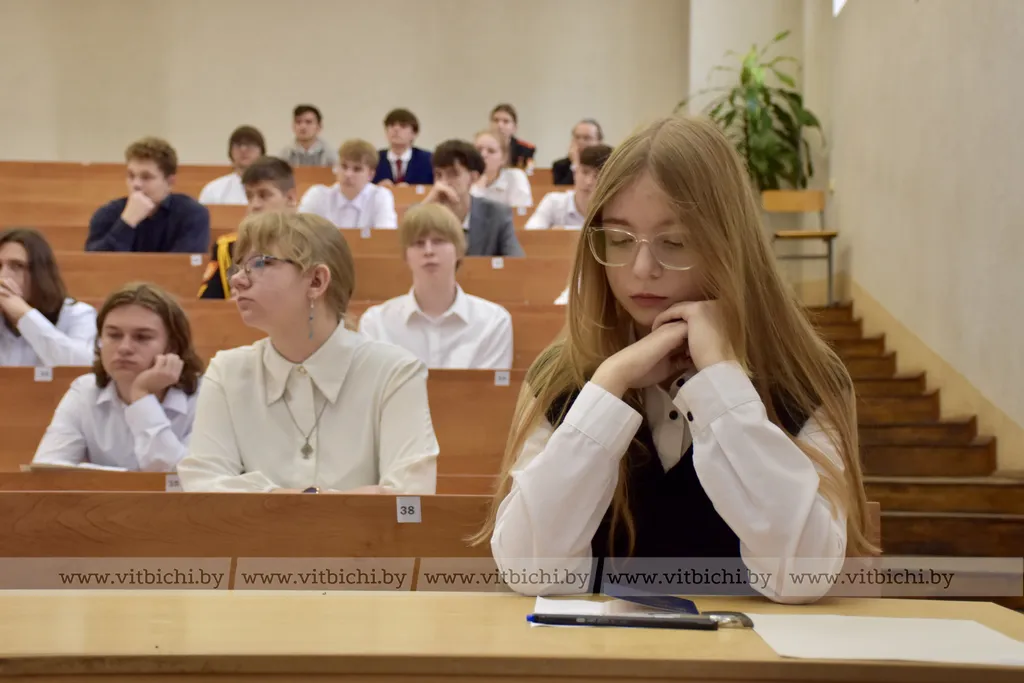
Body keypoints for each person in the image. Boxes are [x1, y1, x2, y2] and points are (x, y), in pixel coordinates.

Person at [472, 116, 877, 604]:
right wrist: (608, 387)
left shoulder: (809, 378)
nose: (643, 269)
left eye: (676, 242)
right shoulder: (561, 376)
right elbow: (529, 570)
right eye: (619, 241)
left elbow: (802, 577)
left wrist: (723, 388)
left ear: (730, 246)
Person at [177, 212, 439, 494]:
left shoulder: (394, 371)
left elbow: (411, 499)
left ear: (316, 281)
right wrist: (291, 501)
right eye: (239, 267)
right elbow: (202, 485)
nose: (238, 280)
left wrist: (274, 504)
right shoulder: (226, 371)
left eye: (259, 263)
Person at [32, 283, 204, 471]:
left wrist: (141, 396)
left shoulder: (204, 396)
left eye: (142, 337)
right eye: (114, 335)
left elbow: (179, 479)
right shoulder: (85, 391)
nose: (124, 348)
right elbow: (47, 472)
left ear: (172, 346)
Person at [359, 204, 513, 370]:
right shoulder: (376, 323)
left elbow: (487, 393)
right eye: (418, 243)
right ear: (406, 256)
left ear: (459, 250)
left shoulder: (493, 322)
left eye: (439, 241)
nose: (428, 251)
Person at [86, 137, 210, 253]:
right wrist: (126, 223)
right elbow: (94, 264)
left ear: (170, 182)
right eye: (131, 176)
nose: (136, 184)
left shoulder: (192, 214)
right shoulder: (108, 213)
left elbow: (183, 266)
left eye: (146, 177)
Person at [198, 156, 298, 300]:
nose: (255, 205)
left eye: (264, 195)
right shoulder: (229, 248)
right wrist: (231, 308)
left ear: (290, 198)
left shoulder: (312, 244)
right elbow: (208, 308)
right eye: (249, 196)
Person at [0, 229, 96, 366]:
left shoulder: (78, 314)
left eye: (17, 266)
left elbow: (82, 367)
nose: (3, 276)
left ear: (40, 272)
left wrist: (24, 314)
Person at [423, 140, 524, 257]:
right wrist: (426, 208)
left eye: (453, 174)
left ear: (473, 178)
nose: (443, 182)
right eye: (438, 175)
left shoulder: (497, 214)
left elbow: (516, 263)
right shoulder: (424, 210)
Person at [298, 139, 398, 229]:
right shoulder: (318, 195)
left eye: (357, 169)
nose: (348, 174)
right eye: (344, 167)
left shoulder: (380, 196)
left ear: (370, 175)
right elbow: (300, 232)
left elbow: (386, 237)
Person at [526, 144, 612, 230]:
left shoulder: (613, 209)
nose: (588, 181)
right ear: (575, 172)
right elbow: (530, 233)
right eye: (585, 172)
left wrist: (565, 230)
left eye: (597, 176)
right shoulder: (553, 202)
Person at [198, 126, 267, 205]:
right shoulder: (213, 190)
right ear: (230, 152)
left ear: (261, 151)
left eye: (250, 144)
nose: (243, 149)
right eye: (238, 145)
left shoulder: (272, 189)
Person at [471, 128, 533, 209]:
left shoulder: (516, 176)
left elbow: (521, 214)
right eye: (478, 150)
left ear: (504, 158)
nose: (483, 155)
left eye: (491, 151)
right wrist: (478, 189)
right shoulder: (464, 178)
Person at [373, 108, 434, 186]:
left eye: (403, 126)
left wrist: (409, 190)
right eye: (391, 125)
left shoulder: (428, 160)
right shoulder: (374, 159)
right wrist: (376, 189)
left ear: (414, 133)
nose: (396, 129)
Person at [551, 119, 604, 186]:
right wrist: (575, 164)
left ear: (599, 141)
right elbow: (562, 191)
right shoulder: (560, 165)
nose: (580, 142)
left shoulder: (606, 164)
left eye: (587, 138)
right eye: (577, 137)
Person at [490, 104, 535, 171]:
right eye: (496, 120)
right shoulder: (481, 148)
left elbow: (528, 172)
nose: (500, 125)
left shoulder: (525, 149)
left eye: (506, 121)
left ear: (514, 128)